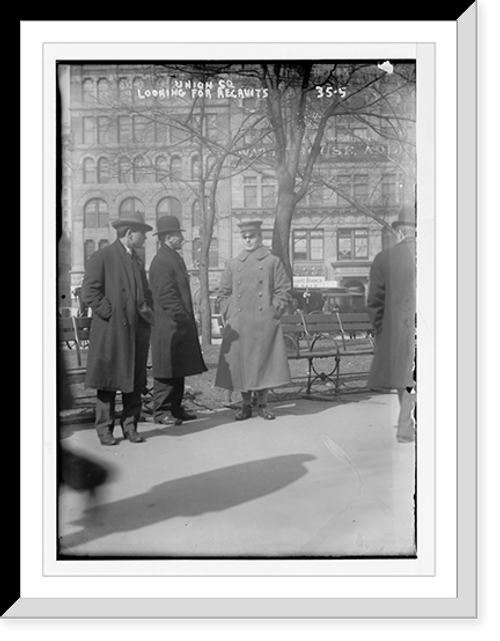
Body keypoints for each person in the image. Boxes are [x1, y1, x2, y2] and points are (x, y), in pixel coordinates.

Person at [81, 212, 154, 446]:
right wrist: (111, 314)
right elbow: (89, 292)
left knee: (133, 380)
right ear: (129, 233)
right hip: (111, 332)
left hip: (136, 331)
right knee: (108, 381)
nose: (145, 238)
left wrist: (148, 315)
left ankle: (130, 427)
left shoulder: (137, 260)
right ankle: (104, 430)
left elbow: (145, 293)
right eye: (143, 233)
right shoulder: (102, 256)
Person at [215, 220, 292, 420]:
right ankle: (246, 404)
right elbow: (223, 293)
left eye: (252, 236)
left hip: (263, 321)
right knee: (242, 366)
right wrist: (231, 312)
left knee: (262, 362)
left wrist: (272, 311)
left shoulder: (272, 261)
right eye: (245, 237)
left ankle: (264, 404)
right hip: (240, 323)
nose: (248, 240)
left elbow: (284, 290)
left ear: (260, 237)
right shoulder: (233, 263)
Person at [148, 215, 207, 426]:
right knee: (166, 372)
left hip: (177, 326)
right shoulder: (162, 261)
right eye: (177, 234)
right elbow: (166, 296)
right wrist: (182, 317)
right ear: (167, 238)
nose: (181, 238)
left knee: (178, 370)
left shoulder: (172, 257)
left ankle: (175, 408)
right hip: (169, 327)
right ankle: (161, 411)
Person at [366, 206, 417, 443]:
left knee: (406, 377)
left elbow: (374, 301)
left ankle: (406, 426)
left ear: (400, 233)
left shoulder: (384, 259)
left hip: (398, 330)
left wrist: (381, 327)